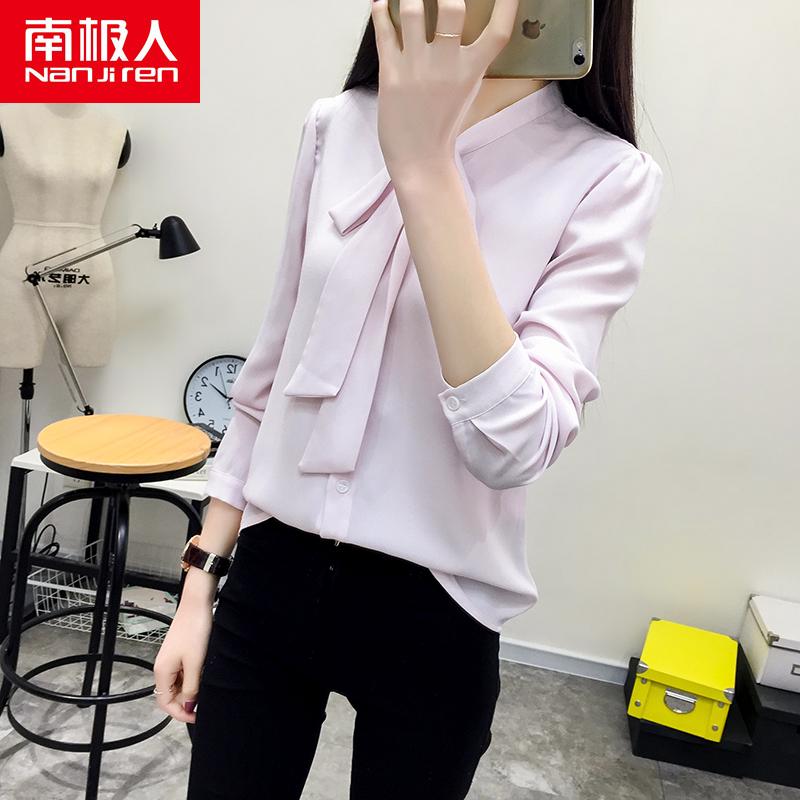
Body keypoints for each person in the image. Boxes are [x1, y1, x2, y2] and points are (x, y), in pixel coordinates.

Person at [155, 1, 664, 797]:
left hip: (438, 608)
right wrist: (199, 588)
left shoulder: (604, 175)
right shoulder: (337, 125)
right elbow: (270, 370)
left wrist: (425, 168)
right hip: (272, 570)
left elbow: (516, 443)